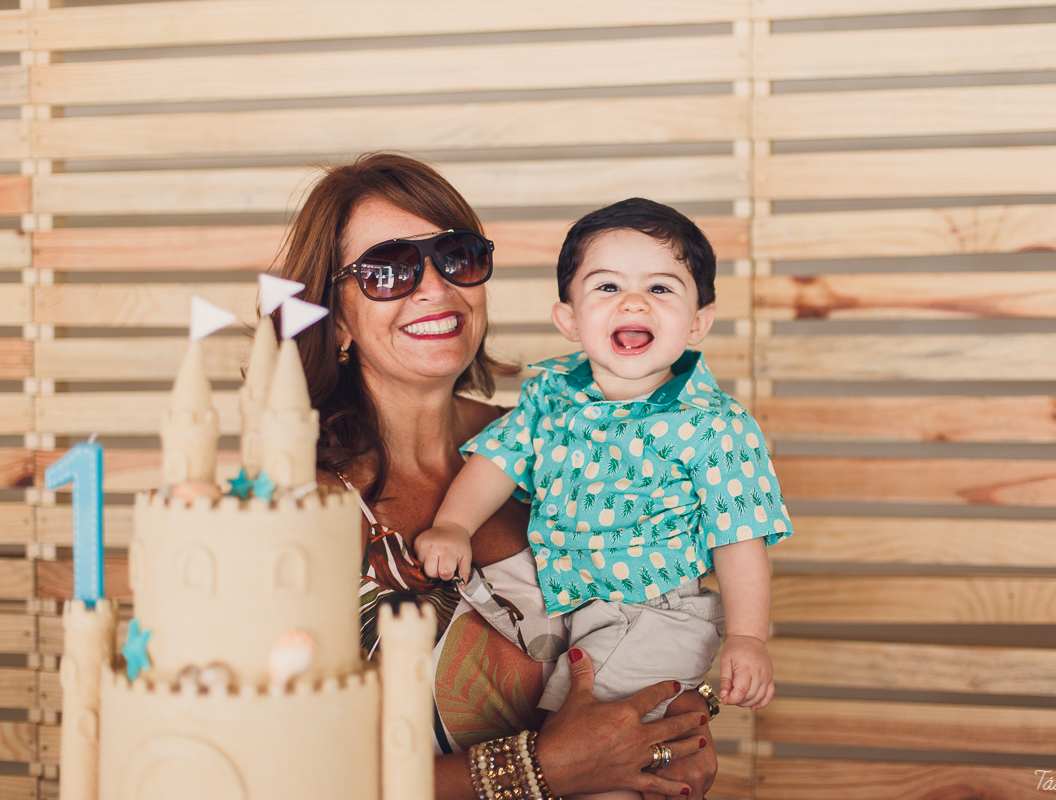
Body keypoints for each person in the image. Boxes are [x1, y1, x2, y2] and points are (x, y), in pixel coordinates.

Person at [275, 153, 718, 800]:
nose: (434, 287)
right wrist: (540, 771)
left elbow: (658, 617)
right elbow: (285, 772)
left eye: (456, 255)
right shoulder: (300, 506)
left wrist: (672, 737)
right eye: (387, 270)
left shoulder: (562, 444)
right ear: (336, 317)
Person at [413, 198, 794, 799]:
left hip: (656, 615)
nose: (634, 302)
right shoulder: (550, 397)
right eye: (608, 285)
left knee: (589, 749)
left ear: (698, 322)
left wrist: (748, 637)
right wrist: (455, 525)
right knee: (597, 759)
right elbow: (497, 463)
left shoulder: (716, 426)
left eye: (662, 288)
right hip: (574, 611)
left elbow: (738, 538)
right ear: (569, 319)